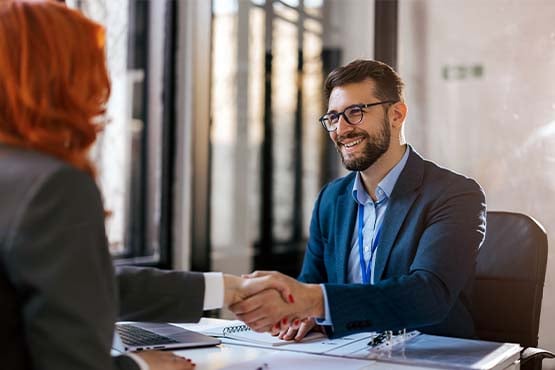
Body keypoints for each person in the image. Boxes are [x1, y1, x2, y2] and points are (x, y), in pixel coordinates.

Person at [0, 1, 291, 370]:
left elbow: (79, 282)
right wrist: (145, 366)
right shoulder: (52, 186)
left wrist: (226, 288)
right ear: (62, 78)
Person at [231, 59, 487, 341]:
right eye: (333, 118)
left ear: (397, 114)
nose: (341, 130)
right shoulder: (331, 199)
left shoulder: (455, 195)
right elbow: (310, 284)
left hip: (431, 357)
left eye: (355, 112)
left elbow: (429, 296)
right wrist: (289, 306)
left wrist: (314, 301)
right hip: (348, 352)